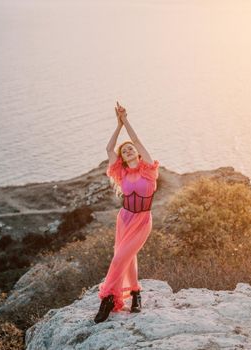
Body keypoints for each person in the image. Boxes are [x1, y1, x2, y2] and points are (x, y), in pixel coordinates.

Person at [94, 101, 160, 323]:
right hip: (124, 218)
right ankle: (135, 293)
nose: (129, 149)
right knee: (127, 258)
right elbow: (108, 149)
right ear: (122, 157)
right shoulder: (121, 172)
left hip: (142, 220)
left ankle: (107, 299)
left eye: (130, 148)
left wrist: (126, 121)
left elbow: (139, 142)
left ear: (137, 154)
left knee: (120, 258)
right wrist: (118, 125)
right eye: (125, 150)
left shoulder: (149, 170)